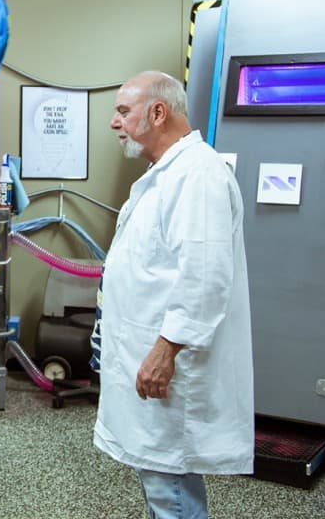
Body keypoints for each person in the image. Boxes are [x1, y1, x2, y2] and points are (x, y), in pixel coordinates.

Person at [93, 71, 254, 519]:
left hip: (171, 363)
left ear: (157, 112)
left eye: (123, 111)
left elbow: (204, 276)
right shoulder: (167, 173)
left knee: (171, 487)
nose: (114, 122)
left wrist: (166, 350)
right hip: (147, 352)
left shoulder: (198, 175)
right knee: (160, 478)